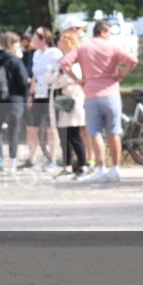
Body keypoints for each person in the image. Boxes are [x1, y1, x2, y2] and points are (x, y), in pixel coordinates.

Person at [60, 20, 138, 184]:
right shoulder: (112, 47)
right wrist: (121, 74)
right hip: (111, 93)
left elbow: (65, 63)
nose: (110, 35)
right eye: (109, 32)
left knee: (95, 133)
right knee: (114, 132)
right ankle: (115, 168)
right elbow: (133, 60)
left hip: (91, 94)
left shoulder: (83, 47)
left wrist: (78, 80)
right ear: (102, 32)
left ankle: (100, 168)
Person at [0, 31, 30, 176]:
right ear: (11, 43)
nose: (18, 45)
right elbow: (23, 80)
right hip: (14, 100)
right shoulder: (15, 60)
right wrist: (24, 96)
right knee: (13, 132)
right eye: (16, 43)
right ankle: (13, 165)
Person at [47, 29, 87, 178]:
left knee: (73, 134)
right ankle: (68, 165)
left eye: (62, 39)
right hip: (58, 100)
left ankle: (82, 165)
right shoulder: (59, 60)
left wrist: (57, 79)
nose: (59, 42)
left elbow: (73, 78)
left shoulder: (76, 59)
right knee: (63, 134)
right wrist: (57, 78)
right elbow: (48, 77)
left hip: (70, 100)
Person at [22, 27, 62, 173]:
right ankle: (31, 159)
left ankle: (52, 160)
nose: (32, 41)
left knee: (51, 129)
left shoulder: (55, 53)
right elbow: (34, 76)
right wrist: (30, 95)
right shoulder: (36, 54)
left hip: (51, 93)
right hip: (37, 94)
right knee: (31, 127)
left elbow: (59, 72)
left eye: (34, 38)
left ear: (43, 39)